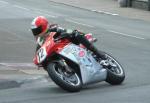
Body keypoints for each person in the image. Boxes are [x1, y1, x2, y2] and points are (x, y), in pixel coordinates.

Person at [31, 16, 107, 60]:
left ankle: (97, 53)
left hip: (69, 44)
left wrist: (67, 33)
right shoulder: (39, 41)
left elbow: (66, 30)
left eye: (37, 30)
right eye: (34, 31)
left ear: (44, 26)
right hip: (59, 52)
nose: (36, 33)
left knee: (75, 33)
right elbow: (38, 52)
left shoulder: (53, 28)